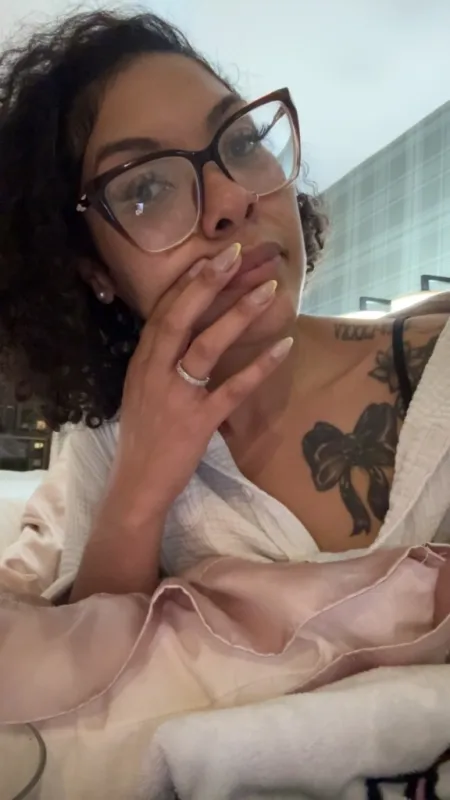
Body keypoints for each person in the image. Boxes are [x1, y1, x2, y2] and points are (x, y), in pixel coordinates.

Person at [1, 11, 450, 798]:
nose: (231, 201)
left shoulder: (436, 369)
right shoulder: (104, 442)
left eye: (240, 142)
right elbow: (90, 714)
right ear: (94, 270)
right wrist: (142, 486)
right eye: (146, 187)